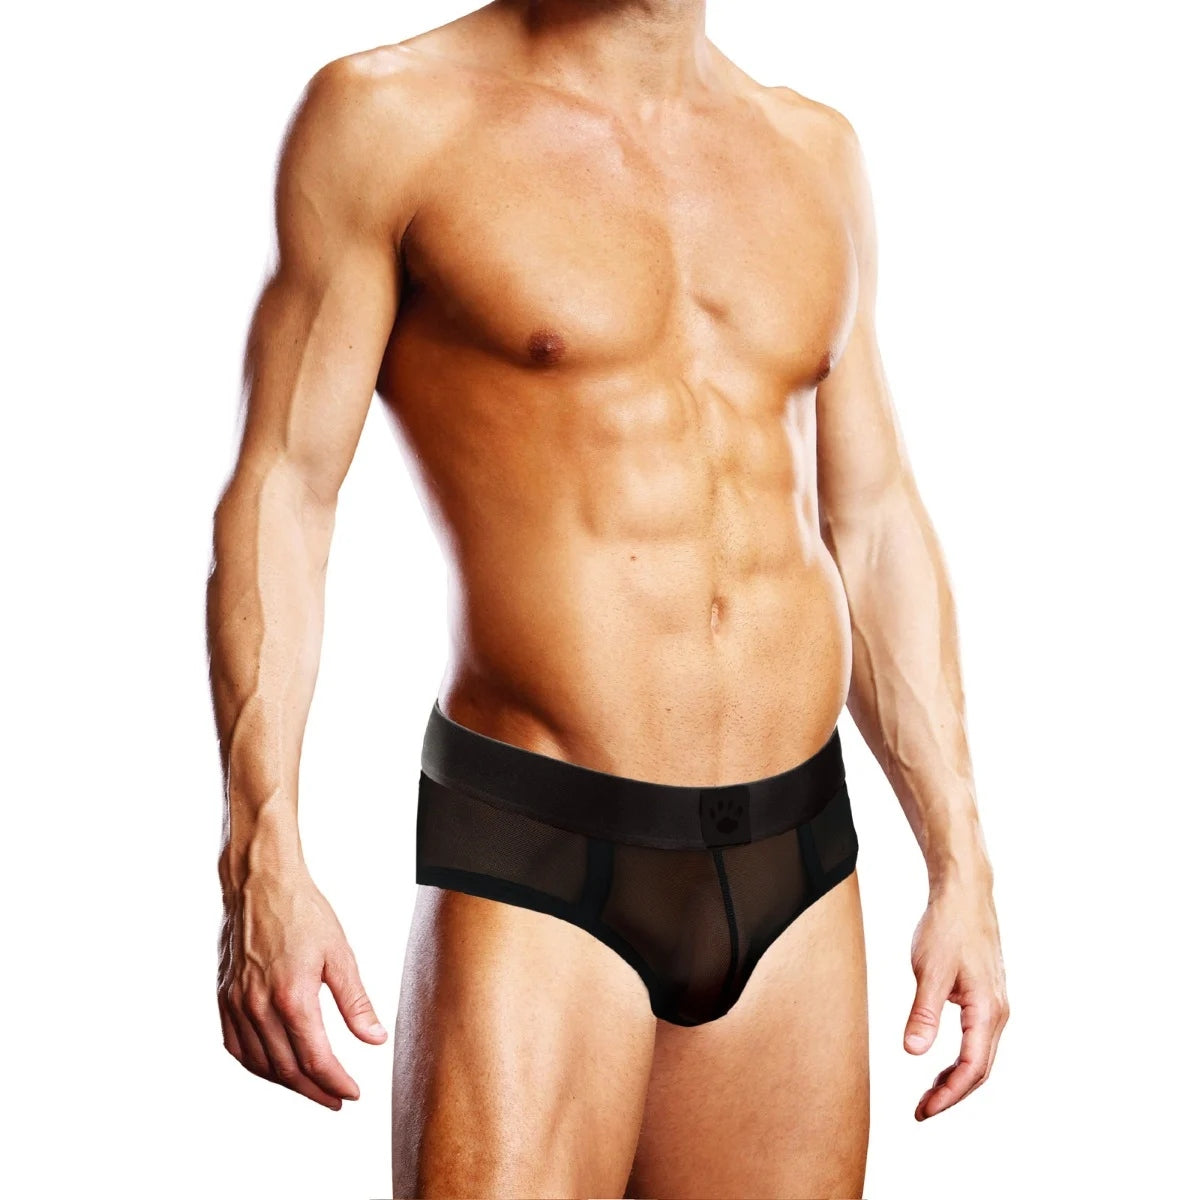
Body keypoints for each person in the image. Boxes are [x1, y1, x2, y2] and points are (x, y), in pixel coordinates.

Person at [206, 2, 1009, 1195]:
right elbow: (285, 487)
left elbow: (873, 515)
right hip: (541, 849)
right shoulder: (389, 117)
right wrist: (260, 850)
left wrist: (961, 861)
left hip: (796, 857)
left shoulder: (812, 150)